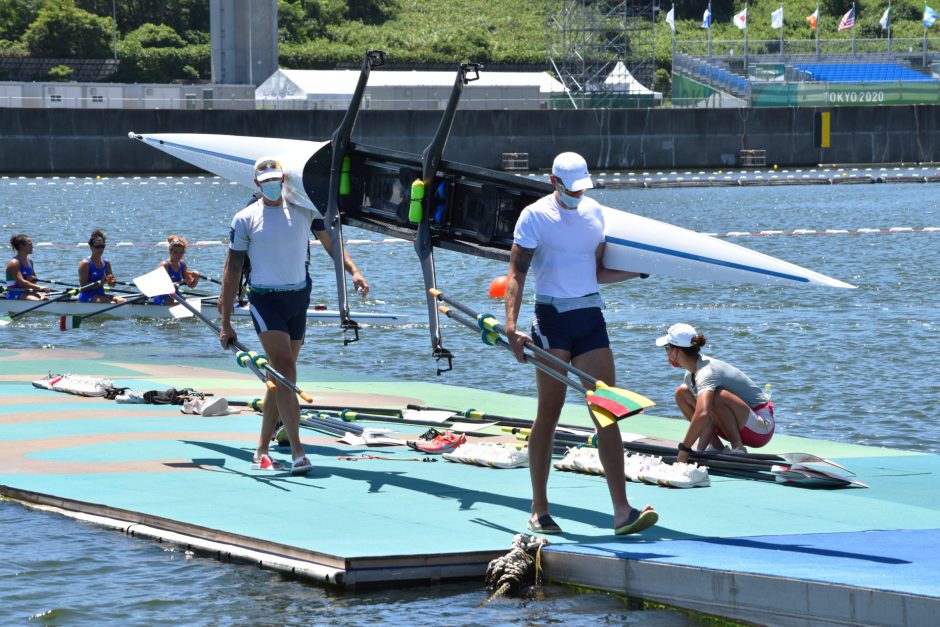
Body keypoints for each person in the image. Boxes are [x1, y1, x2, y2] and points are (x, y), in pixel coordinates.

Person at [504, 151, 656, 536]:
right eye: (571, 188)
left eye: (582, 187)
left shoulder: (595, 213)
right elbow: (516, 275)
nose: (577, 193)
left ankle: (621, 510)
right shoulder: (534, 215)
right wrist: (512, 328)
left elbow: (599, 272)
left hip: (590, 317)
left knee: (607, 411)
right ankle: (539, 508)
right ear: (554, 182)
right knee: (549, 413)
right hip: (551, 319)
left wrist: (638, 271)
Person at [218, 156, 368, 475]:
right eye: (266, 181)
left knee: (279, 375)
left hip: (298, 297)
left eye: (277, 179)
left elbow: (331, 244)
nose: (273, 185)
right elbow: (231, 270)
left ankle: (260, 447)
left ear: (284, 179)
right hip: (265, 300)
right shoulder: (245, 218)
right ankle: (298, 452)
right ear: (257, 184)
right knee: (286, 370)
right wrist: (225, 320)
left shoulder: (304, 208)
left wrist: (353, 270)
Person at [655, 323, 775, 463]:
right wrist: (699, 453)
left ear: (678, 351)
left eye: (667, 348)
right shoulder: (690, 375)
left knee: (717, 397)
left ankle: (738, 448)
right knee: (681, 393)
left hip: (761, 428)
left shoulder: (707, 373)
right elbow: (708, 417)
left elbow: (703, 413)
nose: (667, 353)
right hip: (740, 423)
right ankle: (716, 447)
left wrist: (684, 450)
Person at [77, 229, 126, 304]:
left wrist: (111, 282)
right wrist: (101, 282)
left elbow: (112, 285)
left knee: (123, 301)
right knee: (111, 304)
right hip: (87, 296)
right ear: (91, 247)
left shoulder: (107, 263)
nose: (100, 249)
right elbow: (83, 288)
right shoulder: (85, 264)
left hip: (101, 295)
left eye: (102, 246)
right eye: (97, 246)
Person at [151, 235, 200, 306]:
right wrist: (170, 285)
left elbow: (191, 285)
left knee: (192, 302)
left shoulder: (182, 264)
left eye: (181, 253)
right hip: (163, 297)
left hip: (176, 296)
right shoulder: (165, 265)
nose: (178, 255)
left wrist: (196, 279)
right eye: (175, 252)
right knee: (176, 302)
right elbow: (156, 285)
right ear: (170, 252)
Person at [6, 234, 50, 300]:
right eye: (29, 244)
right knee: (40, 301)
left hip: (27, 291)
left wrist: (32, 279)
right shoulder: (14, 263)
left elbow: (35, 280)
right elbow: (21, 283)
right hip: (15, 293)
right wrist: (40, 287)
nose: (32, 247)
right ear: (21, 246)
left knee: (45, 298)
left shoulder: (30, 262)